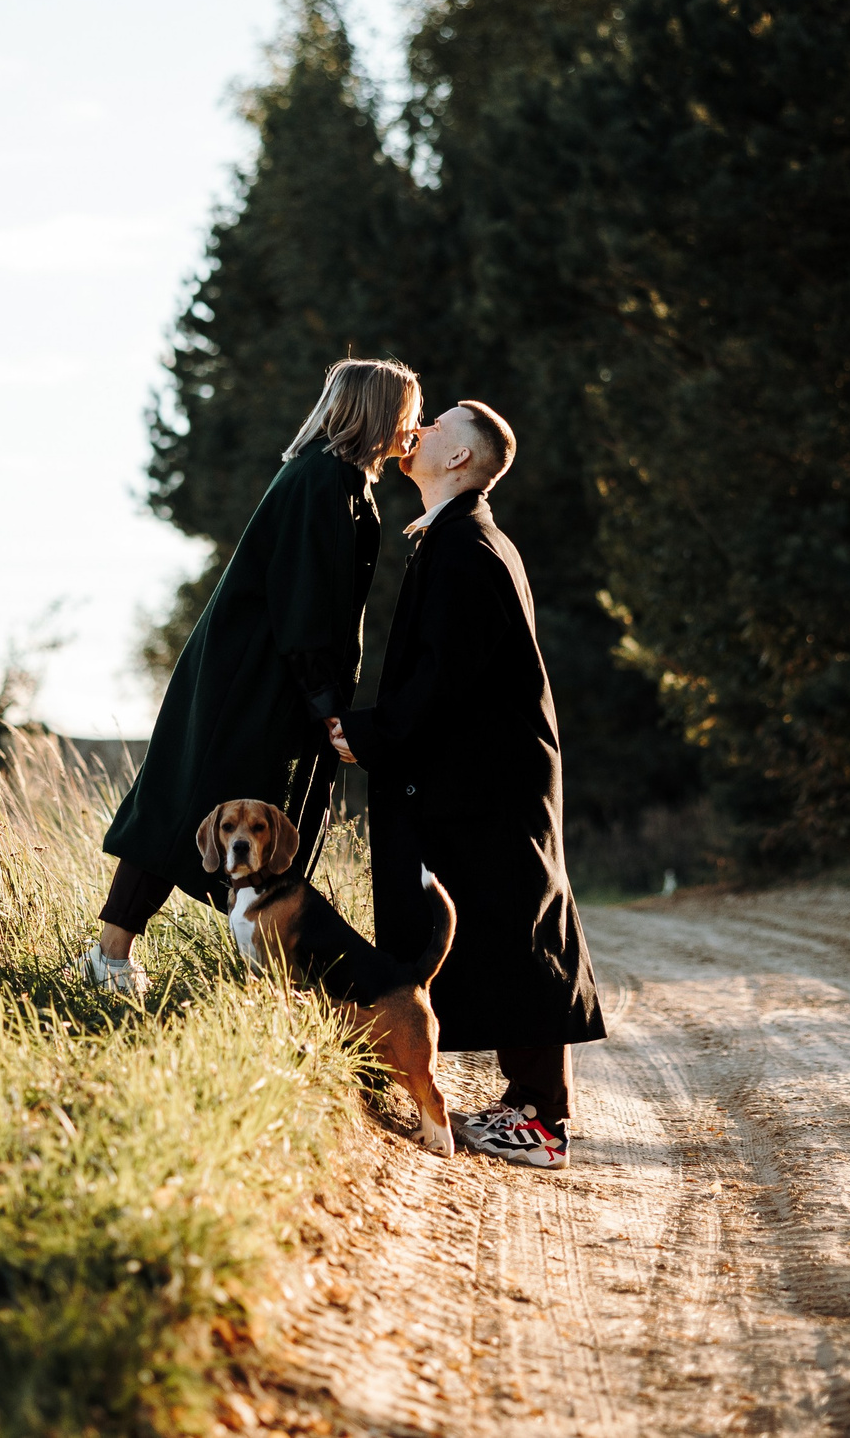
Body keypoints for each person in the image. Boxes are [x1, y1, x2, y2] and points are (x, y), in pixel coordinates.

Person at [82, 358, 421, 998]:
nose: (415, 428)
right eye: (408, 414)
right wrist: (327, 705)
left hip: (276, 682)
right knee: (188, 811)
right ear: (378, 411)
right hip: (249, 683)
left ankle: (266, 979)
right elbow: (302, 604)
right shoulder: (321, 479)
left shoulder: (343, 482)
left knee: (263, 824)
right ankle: (108, 959)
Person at [330, 399, 604, 1170]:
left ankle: (544, 1122)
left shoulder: (467, 547)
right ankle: (523, 1104)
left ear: (460, 458)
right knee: (495, 923)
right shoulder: (450, 538)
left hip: (495, 780)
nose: (422, 425)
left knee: (517, 925)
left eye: (441, 420)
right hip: (482, 774)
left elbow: (445, 677)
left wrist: (370, 733)